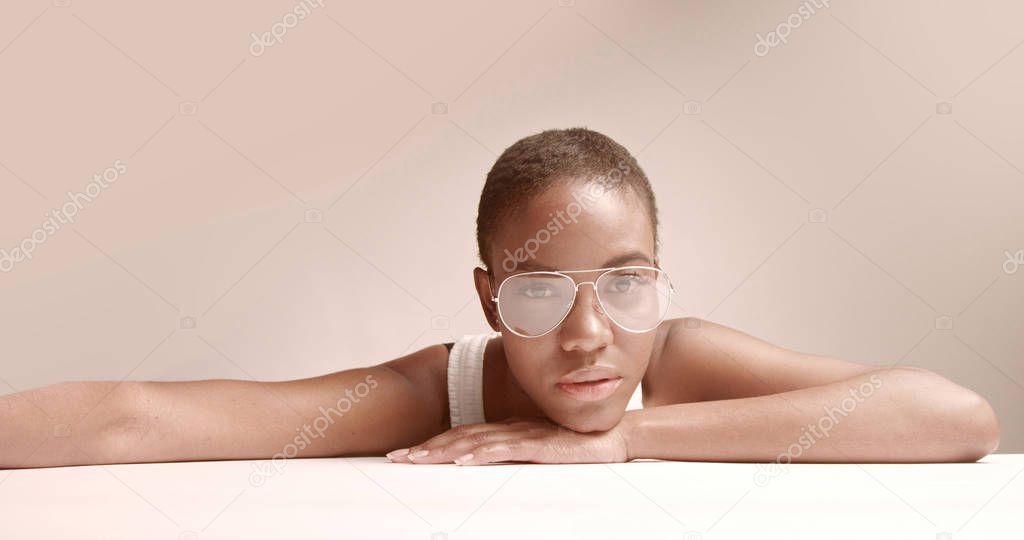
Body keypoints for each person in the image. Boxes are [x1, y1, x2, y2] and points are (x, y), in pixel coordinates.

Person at [0, 127, 999, 469]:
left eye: (624, 284)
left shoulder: (682, 361)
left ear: (658, 278)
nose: (586, 335)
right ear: (487, 302)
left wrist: (623, 441)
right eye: (537, 294)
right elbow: (144, 421)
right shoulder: (449, 393)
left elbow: (955, 419)